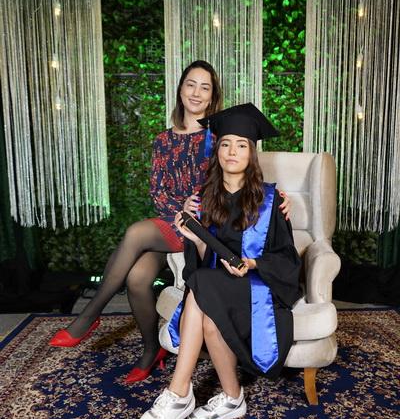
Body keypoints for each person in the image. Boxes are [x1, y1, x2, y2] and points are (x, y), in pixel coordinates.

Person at [49, 62, 291, 384]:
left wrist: (277, 196)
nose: (196, 93)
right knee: (137, 279)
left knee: (136, 233)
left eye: (205, 87)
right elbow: (157, 191)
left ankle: (89, 315)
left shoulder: (219, 136)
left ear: (213, 96)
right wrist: (181, 210)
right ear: (180, 89)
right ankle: (152, 350)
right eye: (191, 84)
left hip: (205, 226)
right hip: (170, 222)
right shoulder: (163, 140)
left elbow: (240, 176)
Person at [132, 103, 301, 419]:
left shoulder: (271, 200)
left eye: (241, 145)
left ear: (251, 153)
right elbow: (204, 262)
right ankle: (232, 397)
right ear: (218, 151)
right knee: (207, 309)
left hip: (258, 290)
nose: (232, 151)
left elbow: (287, 261)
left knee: (201, 288)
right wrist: (196, 239)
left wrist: (252, 264)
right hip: (215, 285)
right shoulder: (204, 200)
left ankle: (179, 392)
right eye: (225, 144)